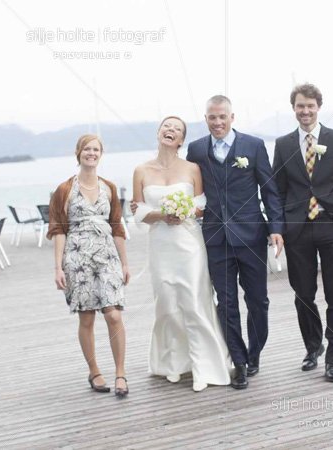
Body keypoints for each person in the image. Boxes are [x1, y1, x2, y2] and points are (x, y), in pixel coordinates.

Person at [186, 96, 284, 389]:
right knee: (225, 302)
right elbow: (189, 188)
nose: (217, 122)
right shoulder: (196, 150)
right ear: (206, 119)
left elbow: (269, 190)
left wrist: (276, 228)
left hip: (251, 235)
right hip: (216, 238)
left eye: (222, 117)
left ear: (232, 117)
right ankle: (238, 362)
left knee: (258, 301)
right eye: (212, 117)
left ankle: (254, 354)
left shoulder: (253, 146)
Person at [131, 116, 231, 393]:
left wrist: (183, 211)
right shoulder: (141, 170)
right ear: (158, 133)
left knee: (194, 302)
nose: (171, 130)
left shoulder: (192, 168)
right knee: (167, 304)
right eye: (167, 126)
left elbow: (201, 206)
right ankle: (172, 363)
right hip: (160, 244)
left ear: (181, 140)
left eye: (177, 129)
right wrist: (162, 215)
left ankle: (203, 367)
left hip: (189, 244)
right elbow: (138, 211)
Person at [273, 84, 333, 382]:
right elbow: (277, 190)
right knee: (303, 295)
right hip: (297, 229)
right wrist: (278, 228)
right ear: (294, 108)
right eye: (300, 106)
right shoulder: (283, 144)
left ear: (318, 107)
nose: (305, 111)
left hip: (331, 225)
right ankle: (313, 347)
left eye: (310, 106)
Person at [47, 134, 131, 397]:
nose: (91, 153)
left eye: (95, 149)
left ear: (101, 154)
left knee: (113, 314)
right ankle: (94, 371)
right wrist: (58, 268)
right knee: (87, 317)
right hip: (77, 258)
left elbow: (117, 227)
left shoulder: (109, 188)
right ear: (78, 152)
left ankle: (120, 373)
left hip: (107, 256)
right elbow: (58, 230)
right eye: (87, 149)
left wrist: (125, 263)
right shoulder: (64, 190)